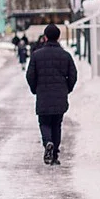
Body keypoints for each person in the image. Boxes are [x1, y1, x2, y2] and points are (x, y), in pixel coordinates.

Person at [26, 24, 77, 165]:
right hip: (60, 95)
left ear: (45, 37)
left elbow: (30, 75)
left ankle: (48, 142)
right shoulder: (65, 55)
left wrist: (35, 89)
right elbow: (73, 75)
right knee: (57, 124)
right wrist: (67, 89)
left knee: (44, 122)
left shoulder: (36, 55)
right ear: (58, 37)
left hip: (43, 95)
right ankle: (54, 155)